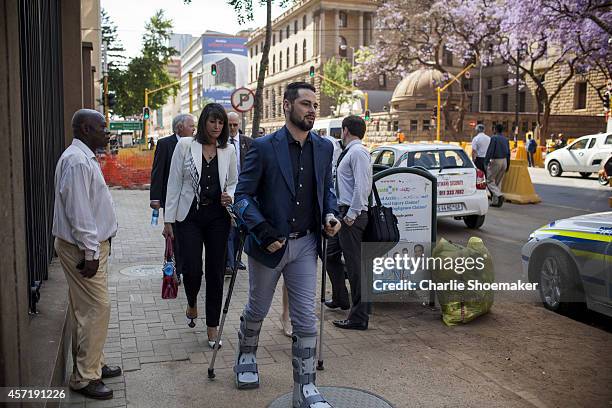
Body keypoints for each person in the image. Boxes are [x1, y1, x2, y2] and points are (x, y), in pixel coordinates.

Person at [232, 82, 340, 408]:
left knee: (305, 317)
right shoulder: (263, 147)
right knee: (258, 309)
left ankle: (305, 389)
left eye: (314, 104)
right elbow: (242, 197)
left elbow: (326, 190)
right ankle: (246, 357)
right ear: (286, 105)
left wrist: (331, 214)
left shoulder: (324, 148)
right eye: (305, 103)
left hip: (306, 244)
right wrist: (262, 230)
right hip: (268, 246)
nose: (311, 109)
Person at [52, 109, 121, 400]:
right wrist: (91, 252)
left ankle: (92, 363)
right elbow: (80, 213)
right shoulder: (78, 161)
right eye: (101, 126)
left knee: (87, 310)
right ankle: (84, 378)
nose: (106, 131)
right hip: (82, 250)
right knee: (97, 308)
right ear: (83, 128)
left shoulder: (82, 157)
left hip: (87, 247)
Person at [163, 103, 237, 348]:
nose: (217, 127)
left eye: (221, 123)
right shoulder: (185, 145)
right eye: (213, 121)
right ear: (204, 121)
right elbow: (173, 184)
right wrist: (168, 221)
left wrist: (231, 195)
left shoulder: (228, 149)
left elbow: (235, 182)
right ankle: (192, 299)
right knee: (193, 270)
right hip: (189, 217)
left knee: (216, 272)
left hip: (218, 217)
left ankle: (212, 327)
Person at [325, 115, 373, 331]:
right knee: (329, 254)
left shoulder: (358, 152)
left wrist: (351, 216)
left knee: (355, 268)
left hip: (352, 216)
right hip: (343, 213)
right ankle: (341, 298)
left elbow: (362, 187)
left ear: (345, 130)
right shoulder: (351, 152)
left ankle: (359, 317)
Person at [150, 114, 196, 284]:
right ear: (179, 128)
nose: (194, 129)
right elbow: (157, 172)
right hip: (170, 200)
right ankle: (172, 269)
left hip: (189, 201)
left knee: (186, 236)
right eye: (191, 126)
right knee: (173, 235)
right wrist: (155, 198)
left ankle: (183, 268)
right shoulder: (165, 144)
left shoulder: (195, 145)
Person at [225, 112, 253, 276]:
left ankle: (235, 258)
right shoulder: (219, 144)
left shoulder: (248, 143)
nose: (233, 128)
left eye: (235, 125)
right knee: (228, 229)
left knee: (239, 229)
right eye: (229, 125)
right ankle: (228, 262)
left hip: (243, 193)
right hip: (225, 193)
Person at [484, 123, 511, 207]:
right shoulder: (506, 139)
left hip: (496, 160)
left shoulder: (494, 138)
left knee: (489, 180)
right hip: (504, 161)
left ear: (495, 130)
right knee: (498, 182)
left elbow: (490, 151)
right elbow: (508, 153)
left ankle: (499, 195)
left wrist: (486, 161)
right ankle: (496, 202)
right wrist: (508, 165)